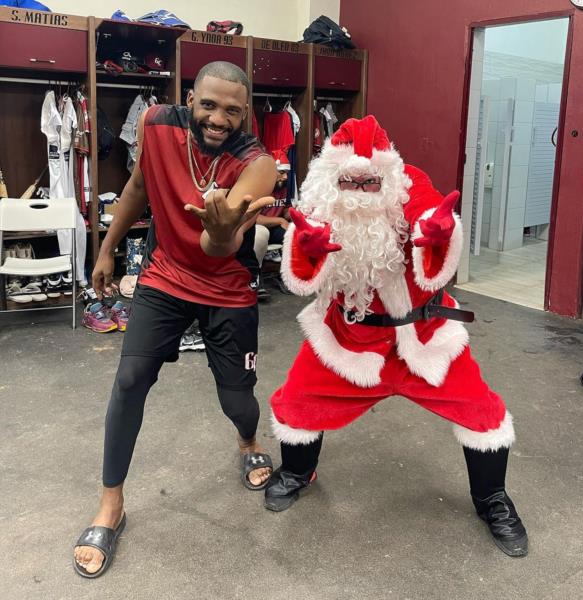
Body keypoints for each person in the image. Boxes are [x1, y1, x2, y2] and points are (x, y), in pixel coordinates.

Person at [264, 115, 529, 557]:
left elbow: (428, 214)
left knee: (483, 415)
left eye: (371, 183)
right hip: (348, 339)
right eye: (350, 183)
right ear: (333, 179)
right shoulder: (319, 199)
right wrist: (305, 251)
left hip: (422, 338)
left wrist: (439, 234)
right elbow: (302, 270)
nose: (360, 193)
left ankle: (492, 499)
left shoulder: (408, 184)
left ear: (386, 178)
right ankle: (297, 472)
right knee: (296, 404)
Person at [73, 61, 277, 578]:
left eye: (232, 111)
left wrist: (222, 229)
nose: (218, 119)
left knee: (238, 401)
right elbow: (138, 187)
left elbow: (218, 247)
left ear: (245, 113)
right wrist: (106, 249)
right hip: (165, 277)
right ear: (190, 99)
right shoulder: (157, 123)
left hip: (227, 287)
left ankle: (248, 440)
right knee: (129, 379)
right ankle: (111, 504)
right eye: (208, 105)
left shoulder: (258, 164)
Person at [254, 149, 291, 299]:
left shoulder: (283, 187)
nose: (285, 176)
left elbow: (285, 209)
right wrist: (280, 220)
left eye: (286, 173)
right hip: (256, 227)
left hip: (273, 228)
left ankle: (286, 275)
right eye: (281, 172)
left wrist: (292, 213)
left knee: (293, 235)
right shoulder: (259, 187)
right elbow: (254, 218)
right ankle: (256, 278)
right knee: (259, 235)